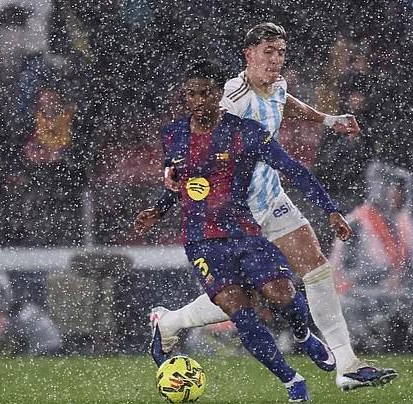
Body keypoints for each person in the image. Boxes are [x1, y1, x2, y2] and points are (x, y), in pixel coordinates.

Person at [152, 22, 397, 391]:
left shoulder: (276, 85)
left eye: (281, 52)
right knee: (242, 297)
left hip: (271, 198)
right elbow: (193, 137)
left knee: (316, 267)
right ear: (248, 54)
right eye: (268, 51)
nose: (276, 59)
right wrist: (172, 172)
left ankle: (347, 364)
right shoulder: (229, 98)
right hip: (235, 213)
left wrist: (328, 120)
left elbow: (284, 102)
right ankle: (172, 323)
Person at [135, 59, 351, 402]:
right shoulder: (173, 134)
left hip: (244, 230)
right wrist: (158, 210)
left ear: (219, 94)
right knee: (239, 310)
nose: (198, 101)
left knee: (282, 293)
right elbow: (179, 181)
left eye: (205, 93)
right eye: (191, 94)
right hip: (201, 239)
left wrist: (330, 210)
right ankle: (291, 381)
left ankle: (303, 335)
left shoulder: (245, 131)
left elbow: (293, 168)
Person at [330, 162, 413, 353]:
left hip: (394, 289)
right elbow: (344, 272)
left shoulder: (402, 223)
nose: (398, 195)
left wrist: (409, 277)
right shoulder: (356, 224)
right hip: (356, 291)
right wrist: (384, 276)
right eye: (393, 188)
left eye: (401, 190)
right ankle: (370, 344)